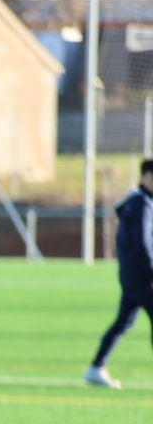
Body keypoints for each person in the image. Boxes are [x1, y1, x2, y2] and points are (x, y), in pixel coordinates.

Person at [85, 157, 153, 389]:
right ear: (145, 177)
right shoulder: (143, 204)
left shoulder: (134, 201)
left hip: (130, 275)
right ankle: (95, 368)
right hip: (143, 278)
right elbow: (143, 244)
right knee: (123, 323)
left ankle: (95, 367)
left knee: (123, 323)